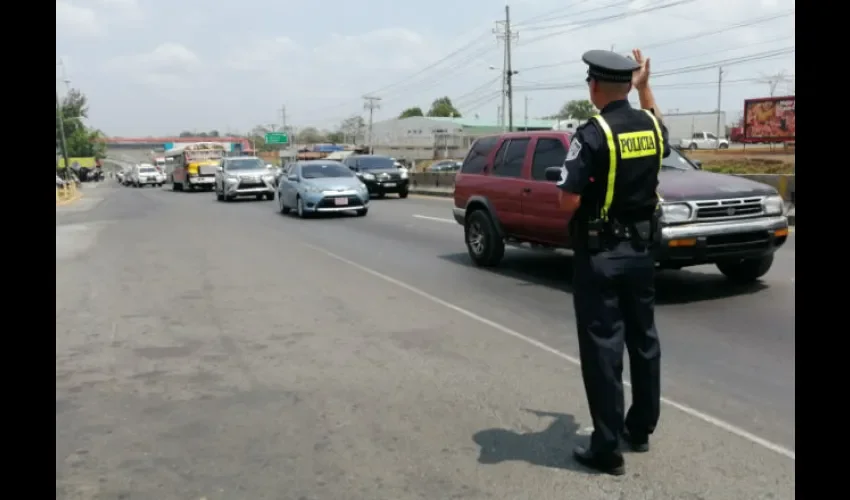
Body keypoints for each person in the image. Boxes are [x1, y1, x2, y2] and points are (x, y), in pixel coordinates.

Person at [555, 48, 670, 476]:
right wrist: (646, 88)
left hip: (602, 254)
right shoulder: (650, 127)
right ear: (630, 85)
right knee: (644, 339)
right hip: (642, 253)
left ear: (594, 86)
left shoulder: (591, 133)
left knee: (604, 349)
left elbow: (567, 198)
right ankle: (638, 429)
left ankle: (606, 449)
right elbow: (659, 125)